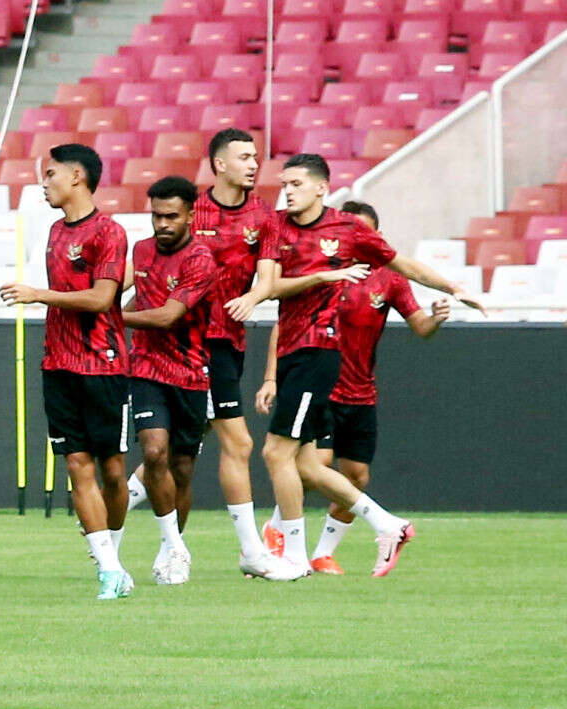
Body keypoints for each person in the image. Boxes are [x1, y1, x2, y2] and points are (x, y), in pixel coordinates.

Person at [256, 154, 479, 578]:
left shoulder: (351, 237)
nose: (288, 190)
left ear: (322, 187)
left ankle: (294, 555)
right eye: (285, 183)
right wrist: (270, 373)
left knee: (276, 453)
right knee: (303, 464)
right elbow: (269, 290)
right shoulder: (277, 227)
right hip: (293, 355)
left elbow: (403, 265)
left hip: (319, 355)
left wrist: (452, 287)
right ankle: (387, 524)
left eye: (297, 183)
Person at [140, 127, 299, 581]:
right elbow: (154, 262)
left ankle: (127, 530)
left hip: (227, 341)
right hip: (182, 341)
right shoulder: (193, 207)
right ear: (219, 164)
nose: (254, 164)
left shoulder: (265, 216)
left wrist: (254, 297)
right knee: (235, 442)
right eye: (245, 156)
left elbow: (268, 276)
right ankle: (250, 550)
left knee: (174, 450)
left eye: (256, 156)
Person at [0, 144, 133, 600]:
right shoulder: (55, 232)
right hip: (58, 363)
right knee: (77, 465)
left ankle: (114, 553)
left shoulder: (109, 232)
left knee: (112, 470)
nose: (44, 181)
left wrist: (38, 294)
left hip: (104, 365)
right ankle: (109, 571)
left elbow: (100, 299)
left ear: (77, 176)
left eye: (50, 173)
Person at [120, 176, 217, 587]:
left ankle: (170, 550)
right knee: (154, 452)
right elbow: (136, 298)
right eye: (156, 215)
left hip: (191, 373)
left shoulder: (201, 259)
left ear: (190, 215)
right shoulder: (141, 250)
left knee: (182, 467)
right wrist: (112, 310)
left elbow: (166, 316)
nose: (162, 224)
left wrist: (107, 317)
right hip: (145, 368)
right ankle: (174, 544)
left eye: (170, 216)